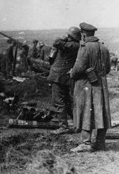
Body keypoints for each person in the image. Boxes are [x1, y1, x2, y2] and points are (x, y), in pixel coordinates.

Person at [69, 22, 111, 152]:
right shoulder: (104, 48)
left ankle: (86, 143)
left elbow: (78, 69)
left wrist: (71, 72)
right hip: (101, 84)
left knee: (86, 111)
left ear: (83, 34)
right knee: (101, 112)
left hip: (87, 84)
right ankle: (100, 143)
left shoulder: (84, 47)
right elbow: (108, 69)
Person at [47, 27, 81, 135]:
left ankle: (63, 127)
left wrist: (64, 37)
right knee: (67, 102)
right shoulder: (74, 45)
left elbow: (56, 42)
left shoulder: (72, 45)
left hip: (59, 77)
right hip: (63, 77)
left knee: (58, 102)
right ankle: (77, 124)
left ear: (71, 36)